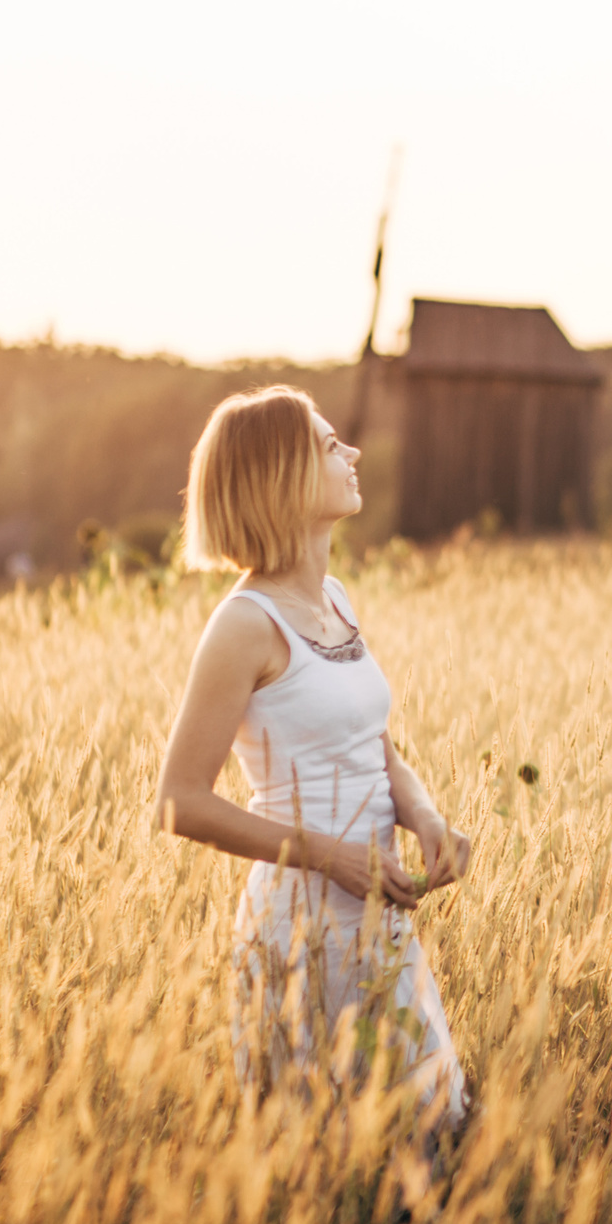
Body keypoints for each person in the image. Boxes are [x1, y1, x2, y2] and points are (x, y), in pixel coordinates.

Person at [154, 386, 474, 1154]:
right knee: (329, 1157)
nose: (354, 452)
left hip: (379, 915)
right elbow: (177, 801)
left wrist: (425, 817)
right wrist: (328, 855)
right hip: (302, 925)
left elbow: (374, 741)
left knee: (430, 1135)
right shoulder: (242, 624)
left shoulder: (334, 598)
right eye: (332, 446)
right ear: (281, 475)